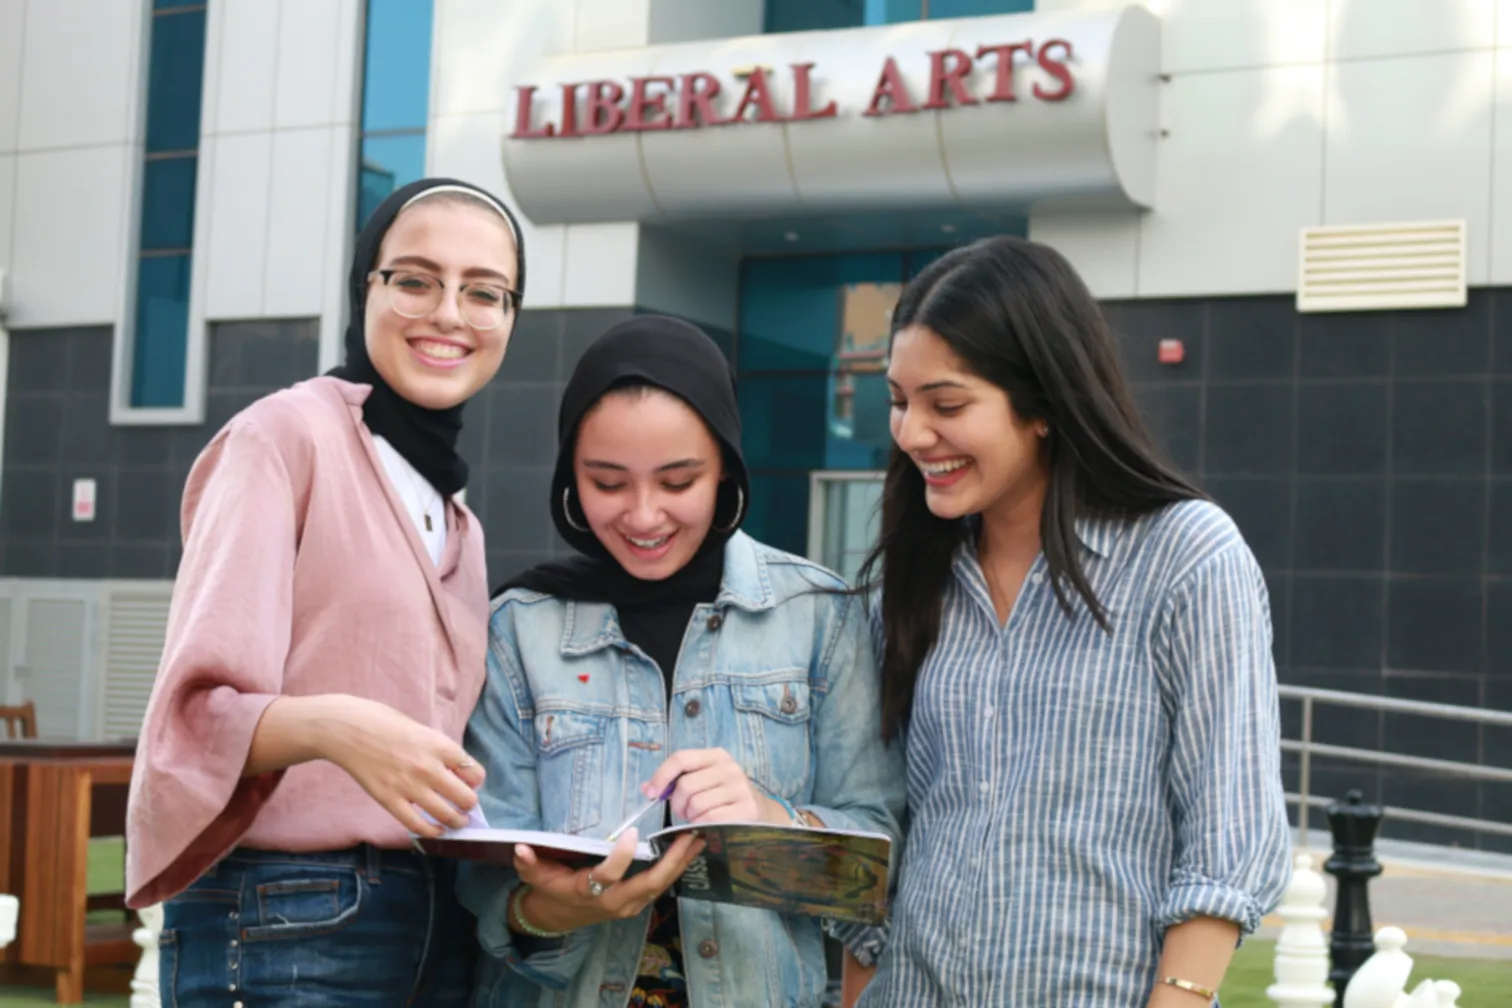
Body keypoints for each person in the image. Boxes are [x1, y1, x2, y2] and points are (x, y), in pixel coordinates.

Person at [838, 236, 1291, 1007]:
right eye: (898, 401)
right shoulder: (911, 583)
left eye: (946, 404)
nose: (912, 433)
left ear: (1043, 402)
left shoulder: (1185, 557)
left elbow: (1228, 839)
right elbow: (881, 844)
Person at [124, 177, 526, 1005]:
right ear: (363, 288)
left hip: (433, 918)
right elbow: (190, 719)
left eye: (484, 292)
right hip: (285, 915)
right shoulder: (284, 438)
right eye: (415, 279)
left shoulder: (459, 519)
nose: (450, 313)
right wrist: (337, 727)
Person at [458, 316, 905, 1008]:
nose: (643, 516)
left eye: (678, 481)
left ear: (724, 465)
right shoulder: (519, 628)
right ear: (570, 477)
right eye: (608, 483)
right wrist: (556, 910)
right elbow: (484, 884)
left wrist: (769, 819)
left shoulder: (820, 615)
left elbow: (877, 867)